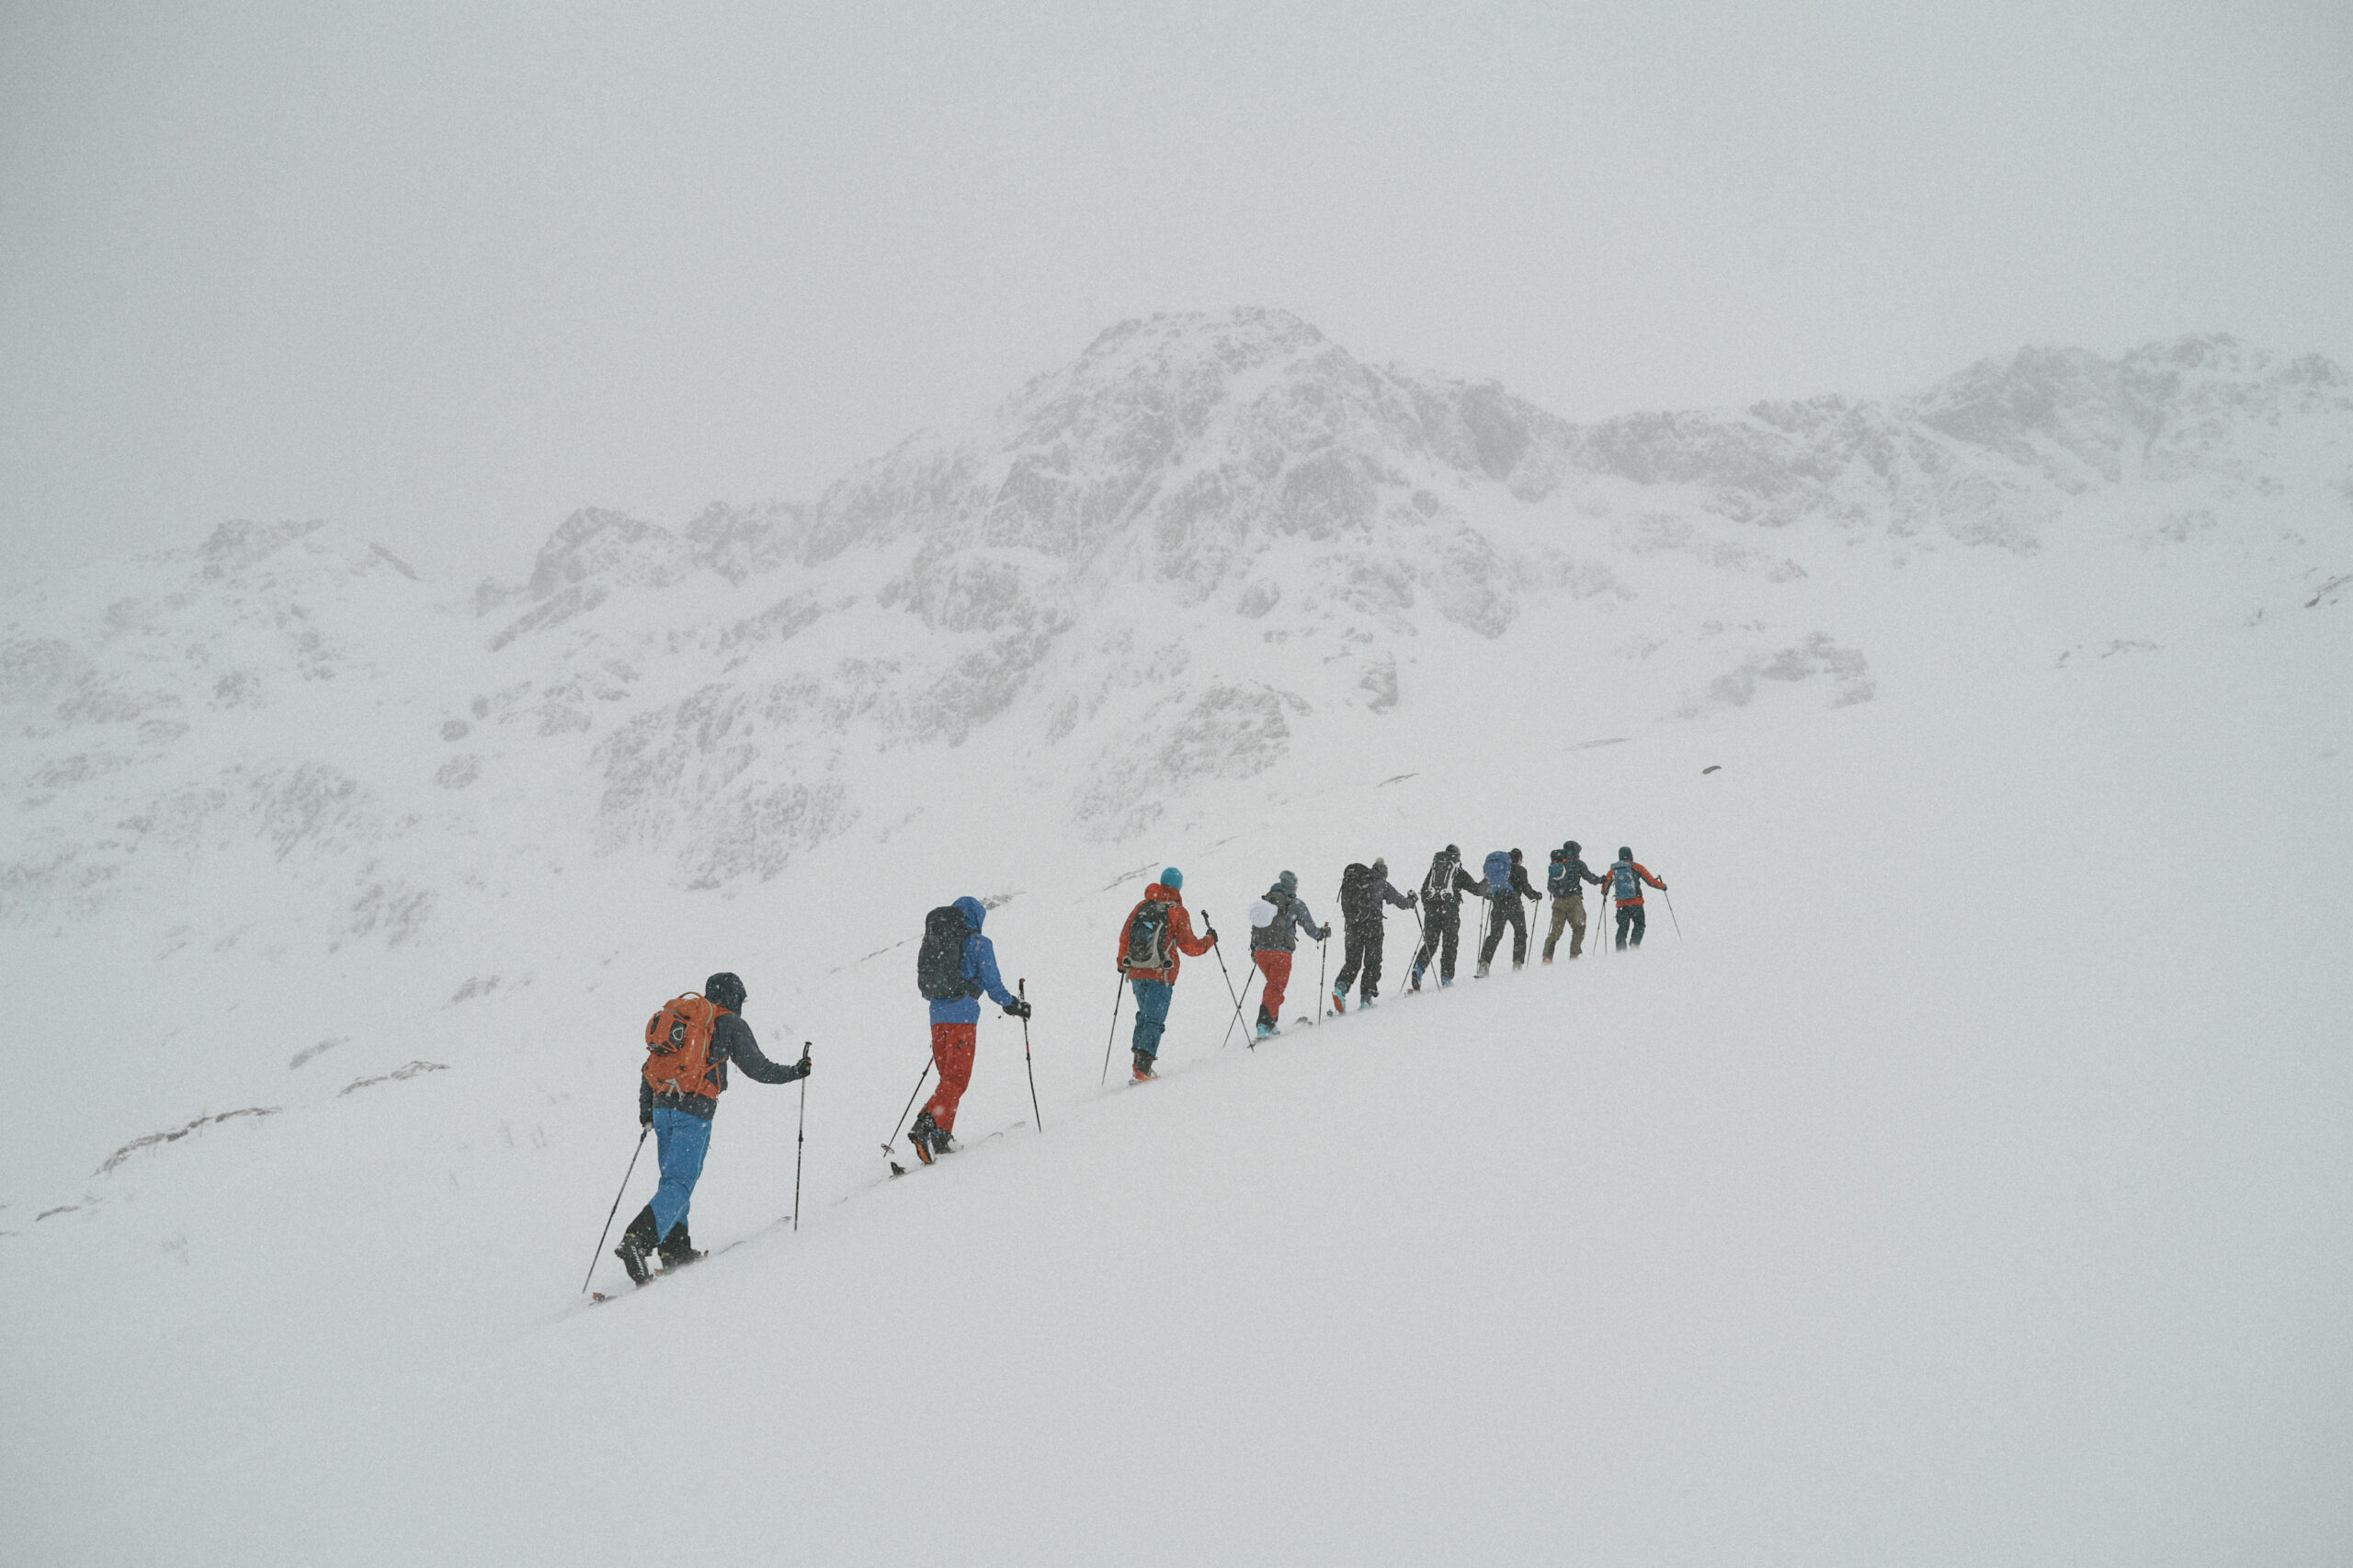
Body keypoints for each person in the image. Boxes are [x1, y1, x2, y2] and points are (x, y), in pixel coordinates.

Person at [616, 971, 810, 1286]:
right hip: (693, 1112)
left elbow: (649, 1066)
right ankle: (637, 1240)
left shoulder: (682, 1021)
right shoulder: (728, 1023)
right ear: (734, 996)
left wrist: (646, 1112)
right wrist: (794, 1072)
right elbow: (758, 1068)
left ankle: (674, 1249)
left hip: (662, 1109)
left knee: (672, 1179)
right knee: (679, 1182)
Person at [909, 896, 1030, 1166]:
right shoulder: (978, 943)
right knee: (958, 1078)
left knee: (948, 1079)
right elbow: (992, 984)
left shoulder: (937, 939)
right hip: (962, 1016)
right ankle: (926, 1124)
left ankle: (942, 1135)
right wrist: (1013, 1005)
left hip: (936, 1017)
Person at [1116, 867, 1217, 1079]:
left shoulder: (1141, 906)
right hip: (1161, 973)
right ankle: (1143, 1069)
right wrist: (1210, 940)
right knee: (1154, 1019)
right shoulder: (1177, 911)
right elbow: (1190, 947)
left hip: (1135, 971)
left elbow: (1125, 936)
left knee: (1144, 1016)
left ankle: (1138, 1064)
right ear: (1178, 886)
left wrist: (1121, 963)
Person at [1248, 869, 1328, 1040]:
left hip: (1261, 952)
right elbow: (1309, 927)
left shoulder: (1266, 901)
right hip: (1281, 953)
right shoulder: (1295, 903)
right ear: (1292, 885)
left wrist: (1254, 948)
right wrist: (1321, 934)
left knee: (1273, 986)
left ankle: (1272, 1023)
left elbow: (1255, 926)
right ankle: (1263, 1024)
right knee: (1275, 988)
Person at [1332, 858, 1415, 1012]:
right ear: (1384, 873)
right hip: (1373, 928)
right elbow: (1401, 902)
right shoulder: (1380, 883)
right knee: (1372, 962)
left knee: (1352, 962)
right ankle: (1366, 998)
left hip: (1352, 927)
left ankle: (1340, 989)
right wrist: (1411, 901)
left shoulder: (1357, 881)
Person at [1410, 846, 1483, 989]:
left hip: (1432, 911)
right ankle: (1446, 977)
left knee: (1431, 942)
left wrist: (1428, 907)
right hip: (1449, 912)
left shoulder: (1434, 871)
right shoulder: (1458, 871)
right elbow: (1476, 889)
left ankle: (1418, 969)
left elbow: (1424, 890)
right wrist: (1487, 882)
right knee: (1449, 944)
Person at [1475, 848, 1543, 976]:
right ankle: (1517, 963)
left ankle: (1484, 964)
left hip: (1498, 905)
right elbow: (1526, 889)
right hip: (1514, 905)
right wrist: (1537, 895)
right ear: (1519, 859)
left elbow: (1485, 889)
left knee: (1495, 935)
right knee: (1520, 932)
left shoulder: (1497, 870)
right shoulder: (1520, 870)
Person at [1542, 840, 1607, 961]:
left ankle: (1547, 956)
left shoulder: (1556, 864)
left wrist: (1559, 891)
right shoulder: (1578, 863)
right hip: (1574, 900)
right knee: (1579, 927)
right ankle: (1574, 956)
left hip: (1557, 902)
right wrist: (1601, 880)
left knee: (1555, 932)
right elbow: (1590, 878)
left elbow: (1549, 887)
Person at [1606, 846, 1668, 949]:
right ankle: (1634, 945)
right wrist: (1663, 886)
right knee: (1639, 924)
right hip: (1636, 903)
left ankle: (1620, 951)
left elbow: (1605, 887)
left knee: (1622, 928)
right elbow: (1650, 881)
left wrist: (1604, 893)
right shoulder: (1637, 867)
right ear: (1631, 855)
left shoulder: (1614, 869)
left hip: (1621, 904)